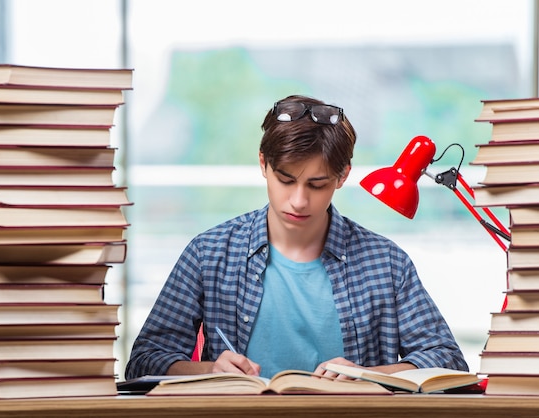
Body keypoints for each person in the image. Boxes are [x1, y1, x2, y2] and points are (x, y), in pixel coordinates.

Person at [125, 94, 468, 380]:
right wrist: (209, 371)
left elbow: (448, 360)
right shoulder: (209, 253)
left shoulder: (386, 263)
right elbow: (143, 361)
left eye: (317, 185)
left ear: (342, 176)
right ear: (263, 165)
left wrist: (370, 376)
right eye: (286, 180)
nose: (299, 200)